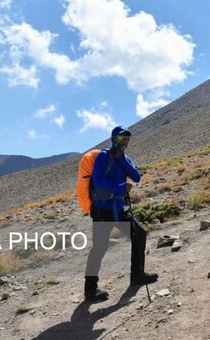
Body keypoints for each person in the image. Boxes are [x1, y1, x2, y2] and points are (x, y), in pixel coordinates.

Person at [84, 126, 158, 302]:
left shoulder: (125, 158)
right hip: (102, 209)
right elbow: (98, 180)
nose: (123, 142)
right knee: (99, 248)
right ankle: (90, 290)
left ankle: (137, 275)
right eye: (120, 139)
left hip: (119, 209)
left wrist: (122, 160)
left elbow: (136, 177)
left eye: (126, 139)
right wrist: (120, 187)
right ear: (113, 139)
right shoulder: (103, 156)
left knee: (139, 234)